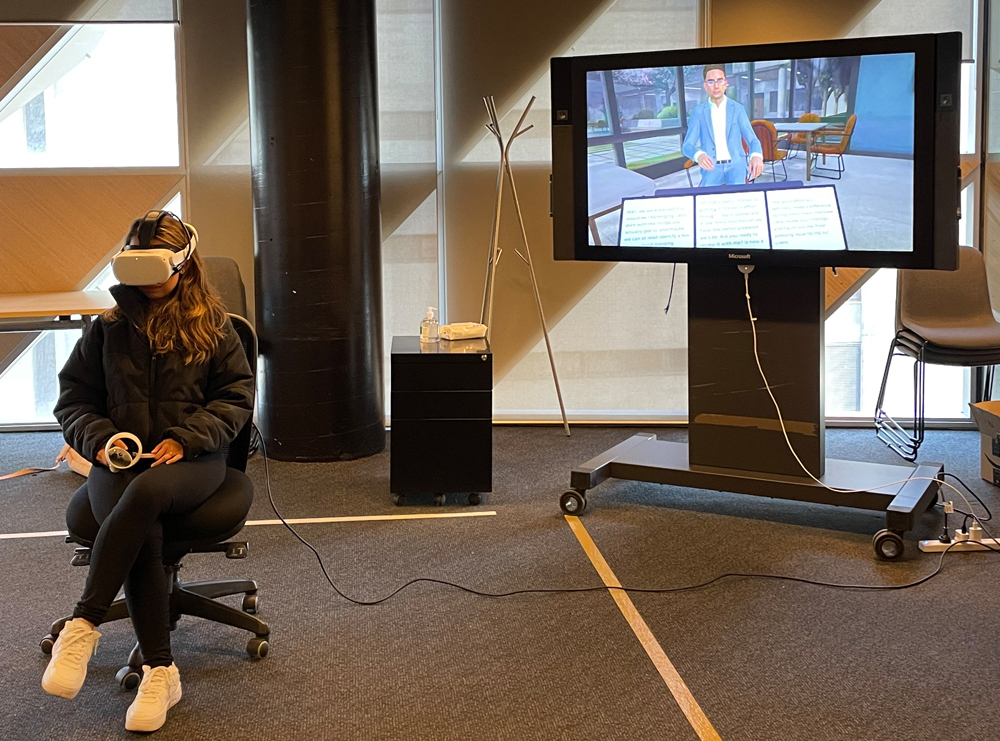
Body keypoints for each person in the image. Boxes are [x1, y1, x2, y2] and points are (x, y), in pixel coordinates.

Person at [43, 212, 255, 733]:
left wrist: (186, 438)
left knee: (144, 500)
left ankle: (84, 621)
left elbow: (236, 400)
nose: (145, 281)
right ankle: (162, 673)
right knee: (143, 525)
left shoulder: (215, 327)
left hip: (193, 462)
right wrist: (101, 439)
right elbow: (73, 402)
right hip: (118, 461)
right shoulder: (108, 330)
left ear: (183, 264)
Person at [681, 64, 764, 186]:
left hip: (736, 167)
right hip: (711, 168)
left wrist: (756, 156)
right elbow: (687, 145)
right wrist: (699, 155)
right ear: (705, 86)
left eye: (719, 80)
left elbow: (752, 140)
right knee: (706, 202)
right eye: (711, 82)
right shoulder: (698, 112)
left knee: (740, 201)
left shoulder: (738, 109)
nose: (716, 86)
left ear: (726, 83)